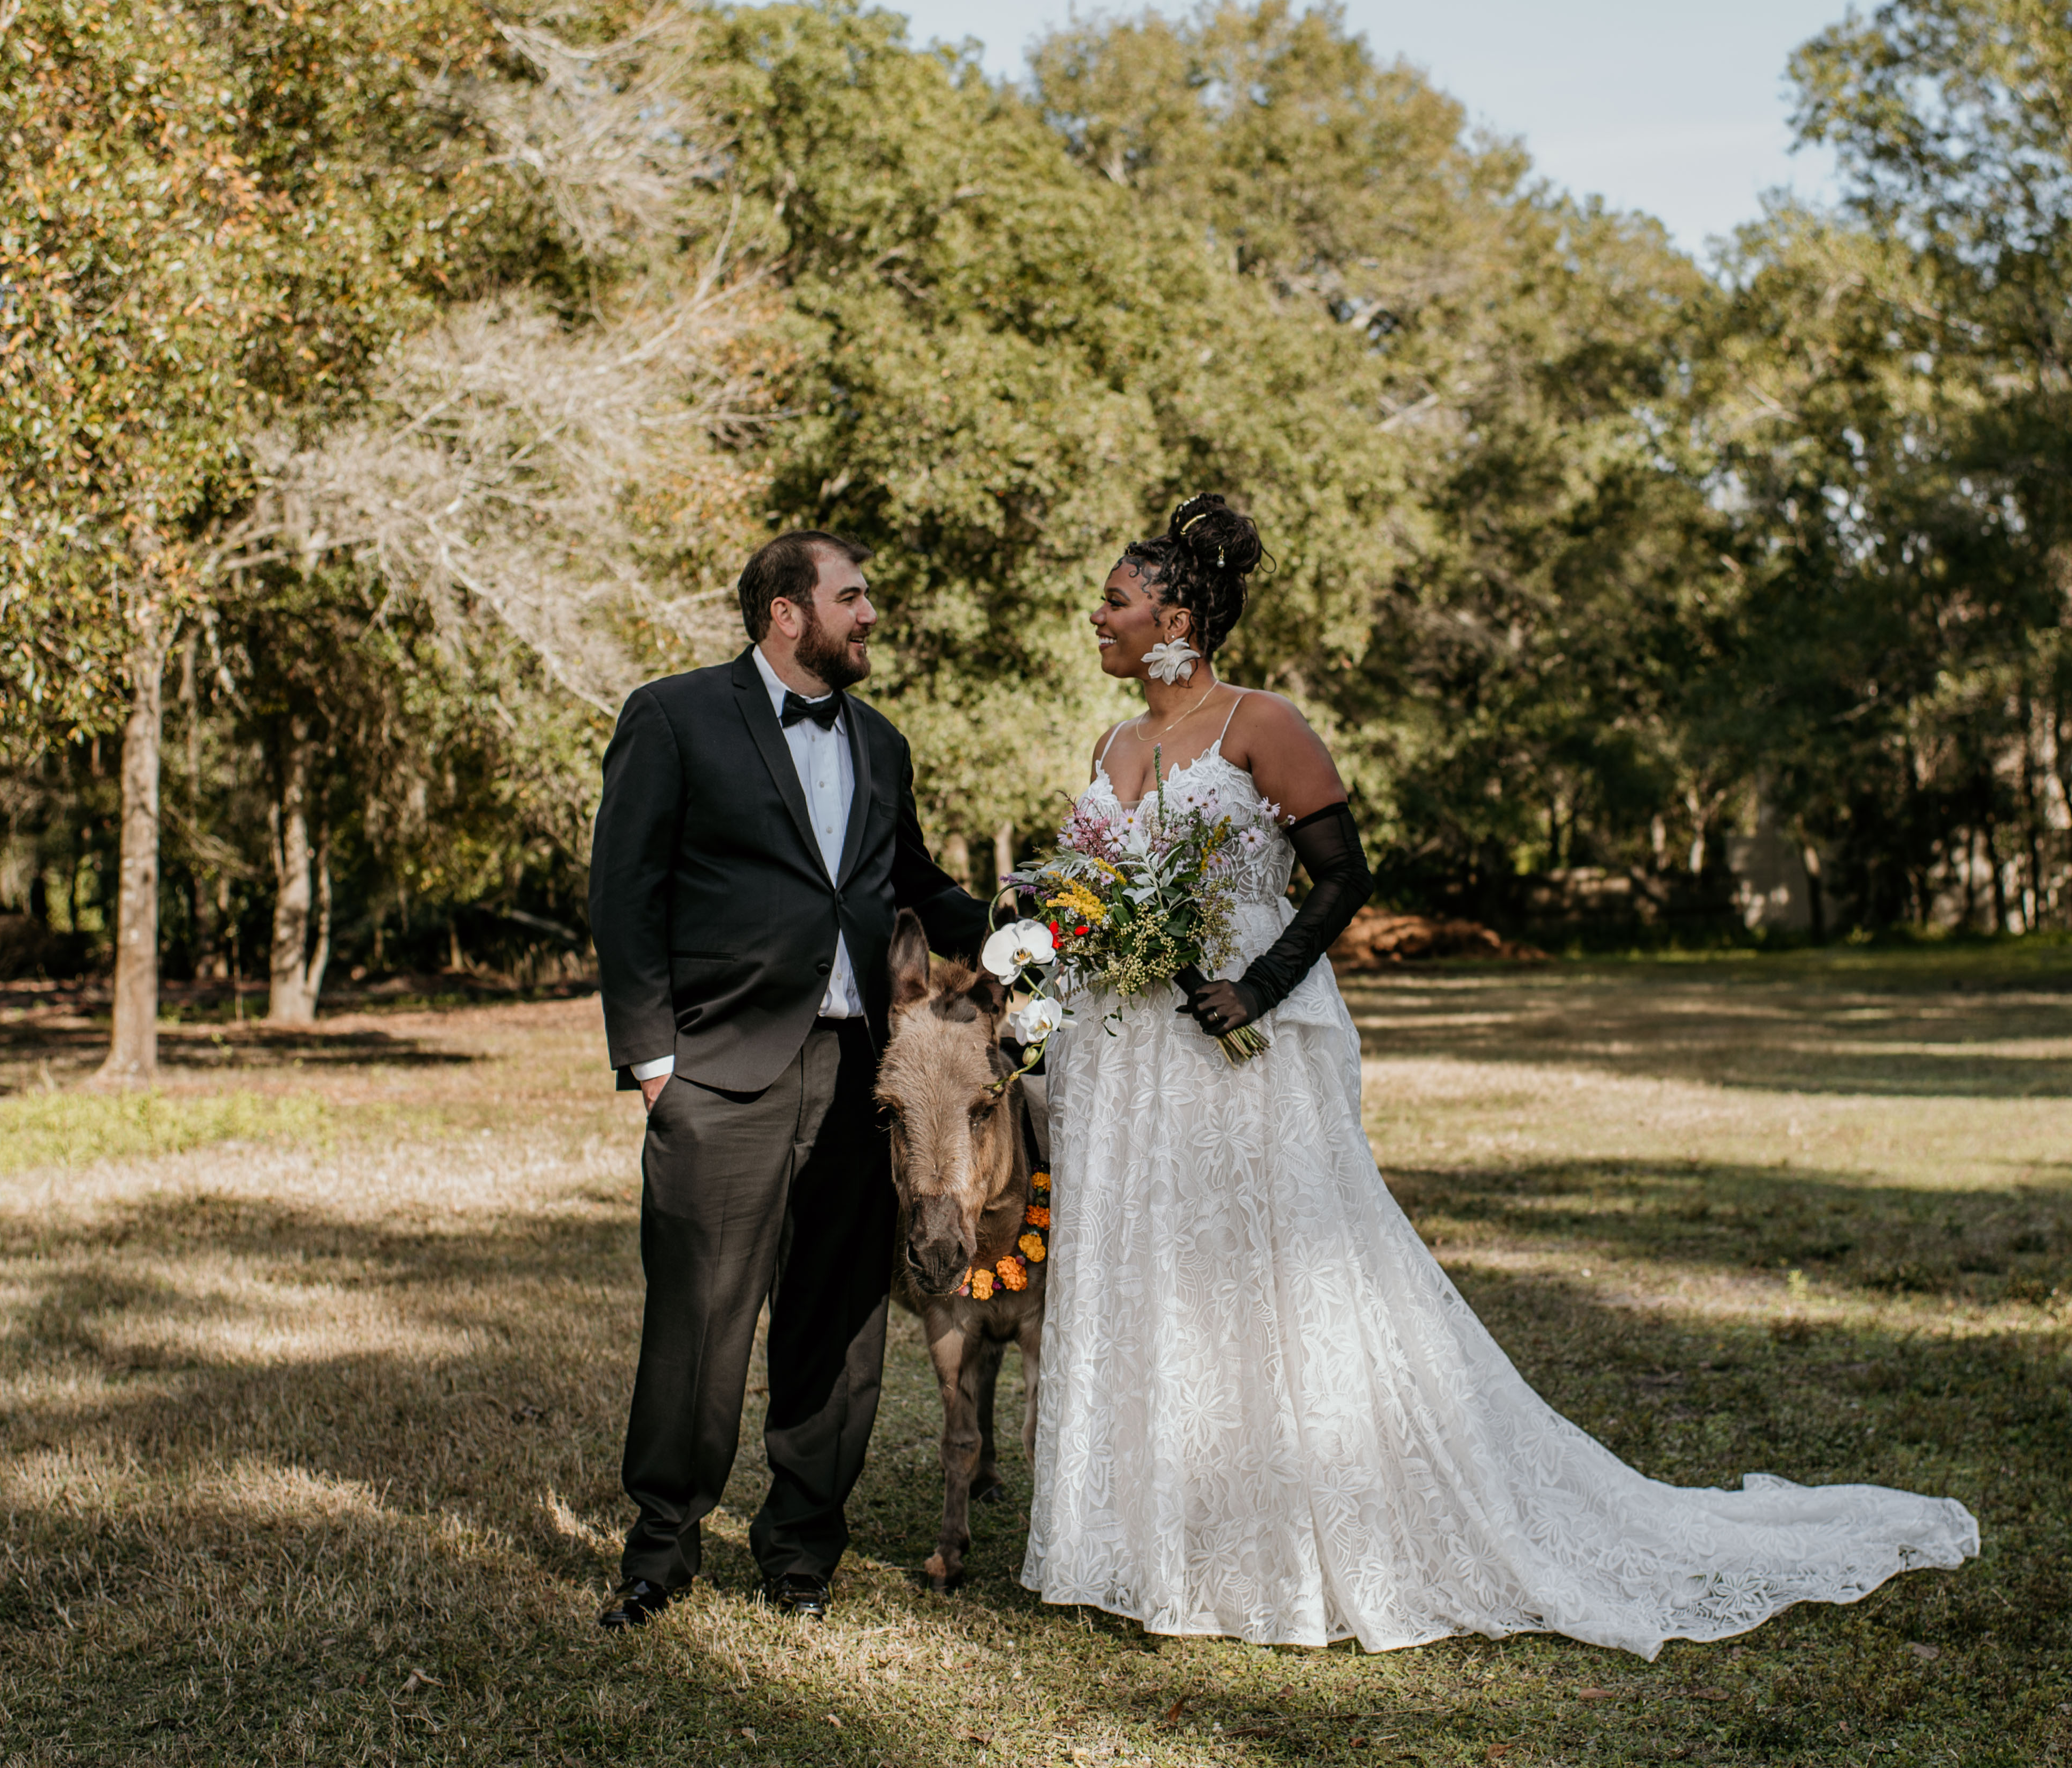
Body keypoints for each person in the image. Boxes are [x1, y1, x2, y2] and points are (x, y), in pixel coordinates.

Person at [1019, 494, 1979, 1655]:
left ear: (1175, 620)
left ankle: (1292, 1538)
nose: (1098, 617)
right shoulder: (1114, 747)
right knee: (1158, 1271)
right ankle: (1159, 1541)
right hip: (1129, 1054)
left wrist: (1258, 986)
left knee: (1272, 1271)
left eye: (1114, 602)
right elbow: (1093, 888)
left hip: (1239, 1041)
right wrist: (1063, 940)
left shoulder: (1260, 722)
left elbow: (1343, 874)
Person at [588, 530, 987, 1629]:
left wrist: (1024, 926)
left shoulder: (882, 741)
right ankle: (661, 1550)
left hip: (862, 1079)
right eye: (851, 597)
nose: (869, 616)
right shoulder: (672, 716)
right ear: (786, 611)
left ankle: (802, 1549)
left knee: (842, 1322)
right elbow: (624, 888)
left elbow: (910, 879)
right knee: (699, 1320)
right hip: (719, 1069)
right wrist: (654, 1061)